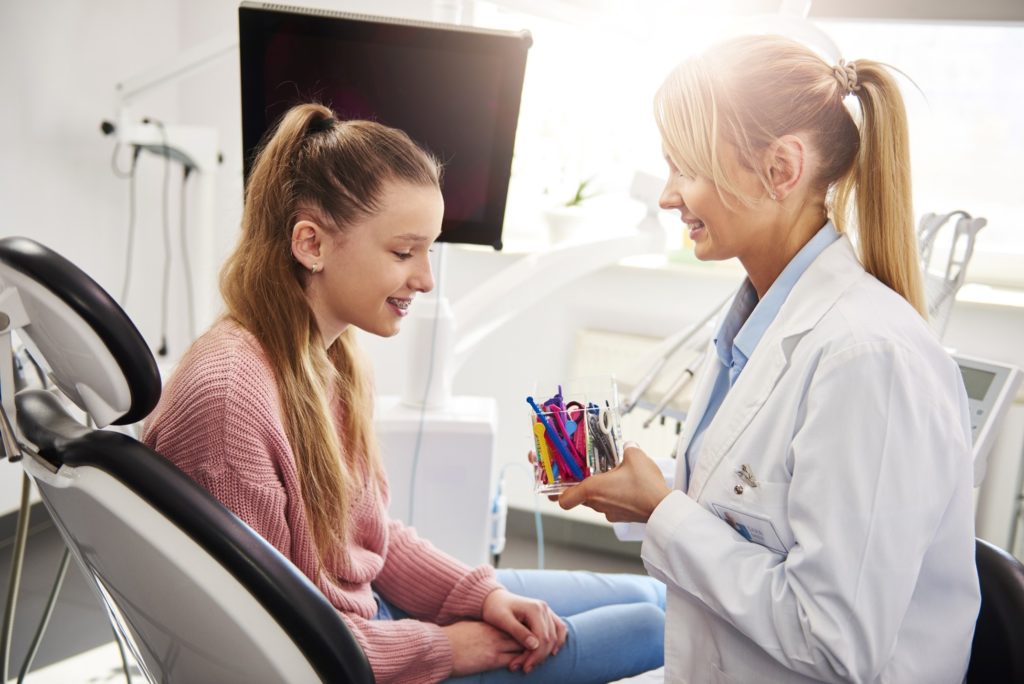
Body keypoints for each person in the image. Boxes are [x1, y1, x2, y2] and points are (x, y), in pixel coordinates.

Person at [143, 102, 664, 684]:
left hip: (372, 627)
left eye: (429, 249)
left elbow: (372, 538)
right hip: (347, 662)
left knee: (656, 598)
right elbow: (269, 638)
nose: (426, 278)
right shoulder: (229, 401)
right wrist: (445, 648)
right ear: (311, 244)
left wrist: (482, 595)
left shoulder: (332, 358)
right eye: (402, 252)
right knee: (652, 628)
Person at [559, 34, 980, 683]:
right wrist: (649, 499)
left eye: (686, 168)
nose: (669, 197)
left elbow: (836, 643)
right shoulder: (757, 328)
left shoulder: (868, 358)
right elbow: (755, 522)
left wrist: (663, 511)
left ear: (781, 170)